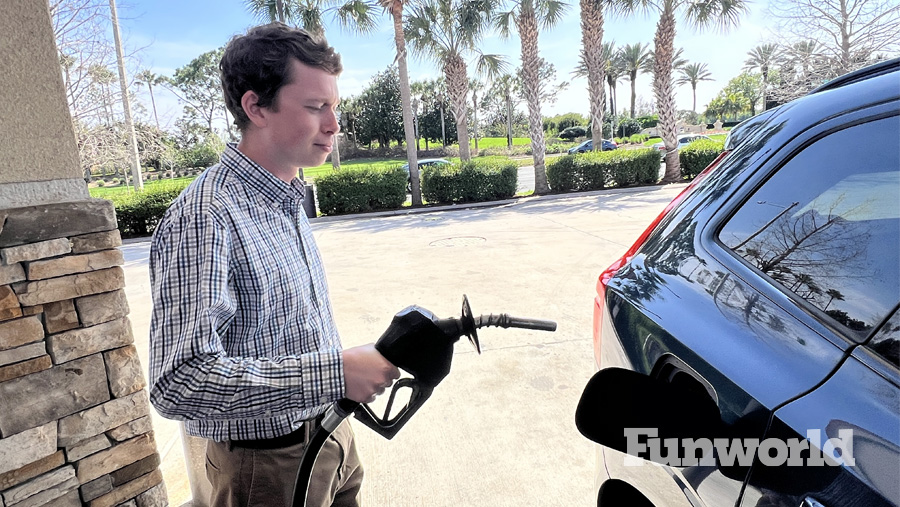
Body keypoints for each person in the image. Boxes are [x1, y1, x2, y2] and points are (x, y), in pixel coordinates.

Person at [148, 23, 400, 507]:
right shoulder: (206, 216)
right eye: (315, 107)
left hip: (332, 437)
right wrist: (336, 372)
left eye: (334, 107)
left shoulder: (283, 195)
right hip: (267, 469)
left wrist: (339, 377)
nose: (334, 125)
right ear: (255, 107)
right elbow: (179, 381)